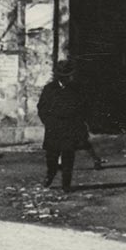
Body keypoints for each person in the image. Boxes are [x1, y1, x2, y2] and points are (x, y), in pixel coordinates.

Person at [37, 59, 94, 192]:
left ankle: (66, 184)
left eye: (69, 75)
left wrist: (80, 123)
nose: (68, 78)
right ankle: (50, 174)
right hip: (54, 128)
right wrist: (48, 122)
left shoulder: (76, 89)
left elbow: (83, 107)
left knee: (68, 157)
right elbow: (42, 107)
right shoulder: (49, 89)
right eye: (65, 76)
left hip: (70, 127)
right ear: (59, 76)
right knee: (51, 156)